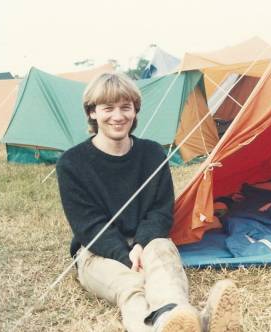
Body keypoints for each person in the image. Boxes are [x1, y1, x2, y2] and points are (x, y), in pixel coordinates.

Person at [56, 72, 242, 332]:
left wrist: (142, 244)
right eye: (108, 108)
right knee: (130, 286)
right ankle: (198, 322)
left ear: (135, 111)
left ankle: (175, 318)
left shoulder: (153, 153)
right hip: (97, 251)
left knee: (163, 265)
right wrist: (125, 255)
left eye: (125, 107)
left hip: (149, 241)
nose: (118, 116)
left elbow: (160, 211)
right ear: (92, 113)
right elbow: (89, 225)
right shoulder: (72, 163)